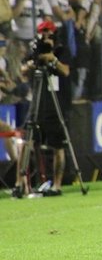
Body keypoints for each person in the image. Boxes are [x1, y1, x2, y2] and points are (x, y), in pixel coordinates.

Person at [16, 20, 71, 198]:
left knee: (57, 145)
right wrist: (33, 63)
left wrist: (52, 59)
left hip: (56, 104)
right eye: (43, 32)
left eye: (49, 32)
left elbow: (66, 71)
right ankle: (20, 184)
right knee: (27, 142)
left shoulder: (61, 50)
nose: (46, 36)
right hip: (37, 103)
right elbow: (23, 70)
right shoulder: (35, 49)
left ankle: (56, 185)